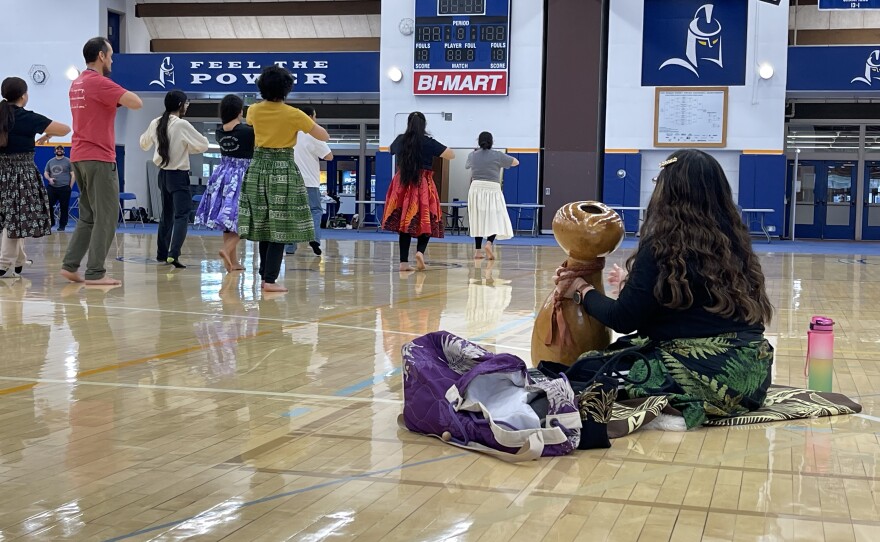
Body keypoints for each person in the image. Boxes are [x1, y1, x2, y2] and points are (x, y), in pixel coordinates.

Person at [555, 149, 775, 429]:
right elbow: (695, 306)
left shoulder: (662, 246)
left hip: (707, 377)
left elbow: (623, 319)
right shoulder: (734, 241)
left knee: (585, 369)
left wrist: (580, 289)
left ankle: (675, 407)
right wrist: (631, 283)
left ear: (668, 192)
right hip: (752, 376)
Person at [238, 66, 330, 293]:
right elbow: (323, 136)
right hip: (283, 170)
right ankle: (270, 279)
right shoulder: (294, 114)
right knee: (280, 225)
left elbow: (251, 125)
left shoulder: (253, 110)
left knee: (263, 223)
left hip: (258, 168)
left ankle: (264, 277)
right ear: (287, 89)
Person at [61, 36, 143, 285]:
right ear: (101, 56)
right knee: (107, 217)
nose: (112, 60)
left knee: (87, 216)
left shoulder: (76, 83)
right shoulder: (100, 82)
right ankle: (96, 272)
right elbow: (137, 103)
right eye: (110, 55)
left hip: (79, 155)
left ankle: (70, 265)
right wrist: (117, 96)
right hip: (99, 157)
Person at [0, 77, 71, 278]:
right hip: (21, 174)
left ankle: (19, 261)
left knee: (9, 218)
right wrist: (48, 134)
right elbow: (65, 129)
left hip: (1, 172)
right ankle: (4, 264)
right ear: (24, 95)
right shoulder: (28, 118)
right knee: (15, 219)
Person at [140, 90, 209, 269]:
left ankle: (161, 253)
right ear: (180, 105)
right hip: (179, 176)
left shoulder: (156, 122)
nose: (187, 106)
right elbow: (203, 144)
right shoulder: (181, 124)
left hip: (162, 175)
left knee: (166, 215)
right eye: (186, 103)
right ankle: (174, 254)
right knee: (182, 216)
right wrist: (186, 148)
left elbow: (143, 143)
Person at [383, 111, 454, 271]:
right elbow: (451, 155)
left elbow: (389, 150)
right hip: (423, 184)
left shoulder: (401, 139)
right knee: (427, 218)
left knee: (404, 222)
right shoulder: (428, 142)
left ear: (408, 124)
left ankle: (403, 263)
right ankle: (420, 252)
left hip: (402, 183)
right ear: (424, 125)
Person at [194, 94, 254, 272]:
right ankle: (226, 250)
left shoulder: (220, 131)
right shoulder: (248, 131)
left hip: (223, 174)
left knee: (228, 220)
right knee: (247, 218)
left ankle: (233, 262)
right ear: (239, 111)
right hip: (242, 175)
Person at [285, 105, 332, 257]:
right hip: (310, 183)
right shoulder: (313, 135)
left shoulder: (289, 134)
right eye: (315, 116)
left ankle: (290, 247)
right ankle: (314, 239)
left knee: (291, 213)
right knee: (315, 211)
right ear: (310, 117)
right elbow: (329, 156)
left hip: (291, 182)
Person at [465, 131, 518, 260]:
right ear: (492, 142)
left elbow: (467, 166)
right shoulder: (497, 155)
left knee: (477, 217)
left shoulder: (472, 155)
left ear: (479, 141)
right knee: (495, 217)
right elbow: (516, 162)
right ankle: (489, 243)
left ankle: (478, 251)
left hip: (476, 187)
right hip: (492, 188)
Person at [43, 145, 75, 231]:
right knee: (48, 205)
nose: (59, 150)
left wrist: (70, 187)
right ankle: (52, 222)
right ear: (55, 151)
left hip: (64, 188)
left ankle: (62, 225)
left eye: (61, 149)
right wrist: (49, 179)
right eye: (58, 149)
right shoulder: (50, 161)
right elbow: (46, 172)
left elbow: (73, 174)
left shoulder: (68, 161)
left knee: (64, 207)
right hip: (52, 187)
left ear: (64, 151)